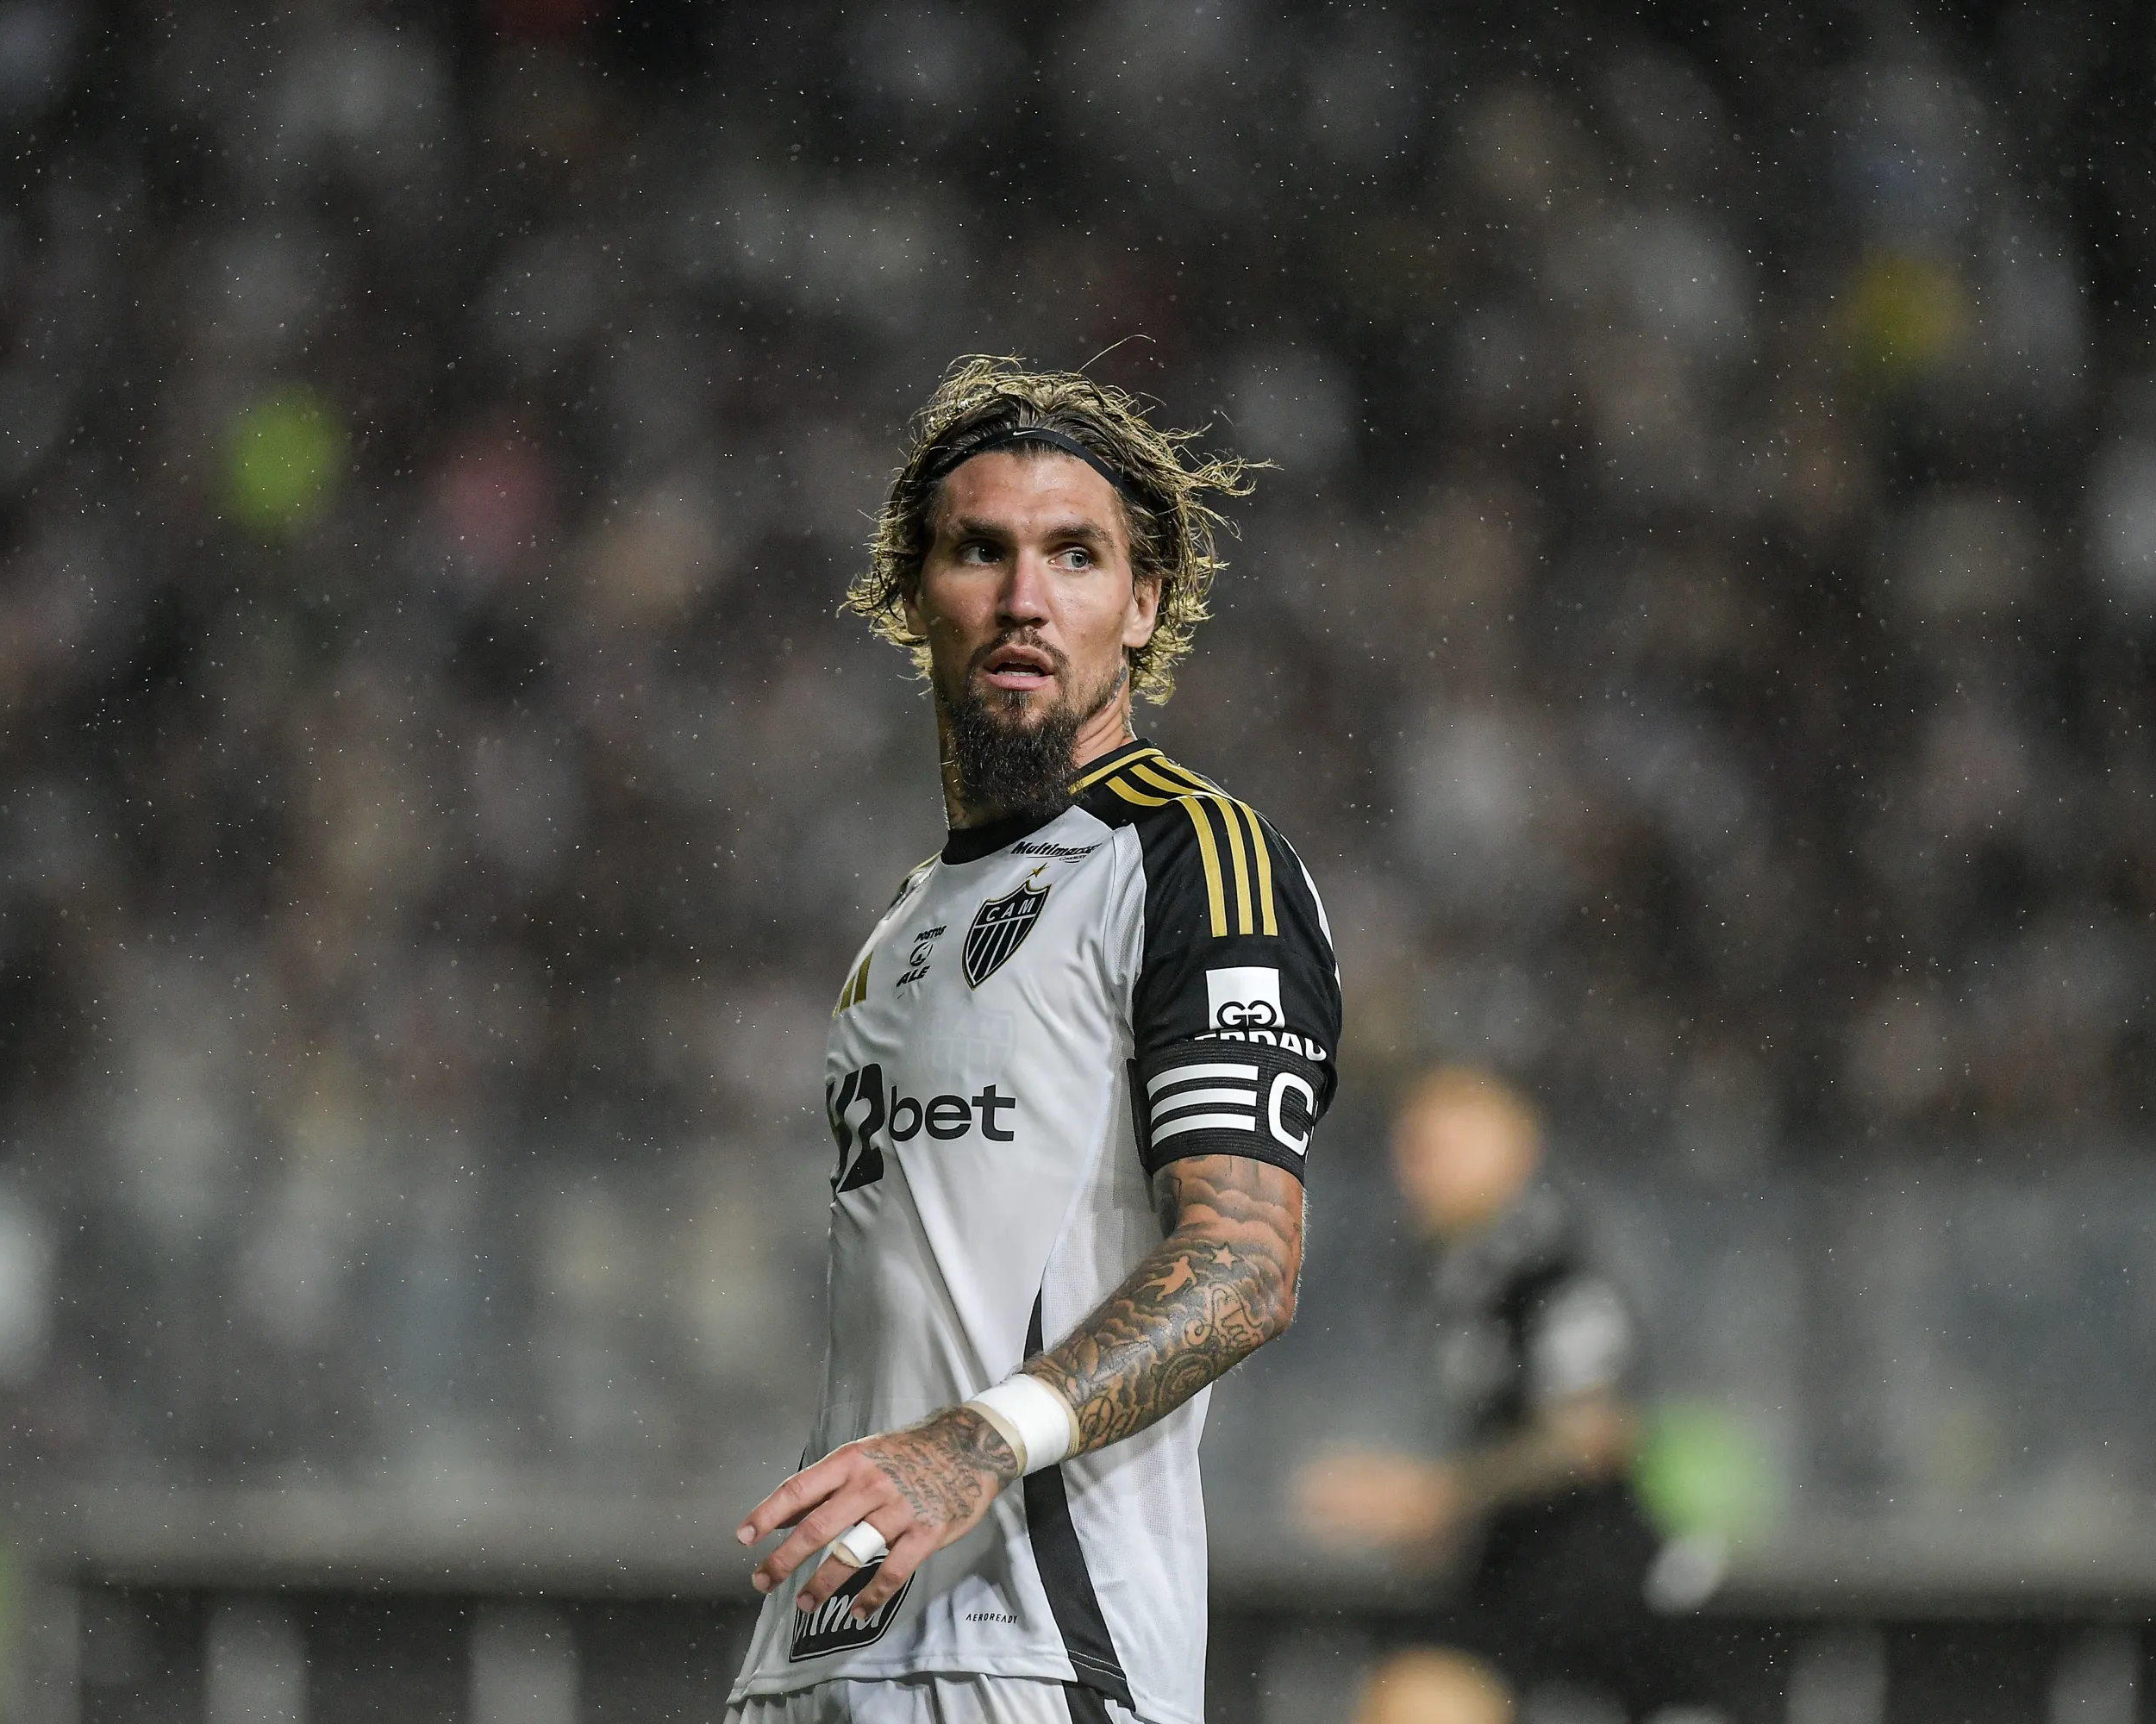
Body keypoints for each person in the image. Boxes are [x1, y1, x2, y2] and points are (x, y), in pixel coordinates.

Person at [725, 358, 1343, 1724]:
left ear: (1144, 605)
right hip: (818, 1652)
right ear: (911, 593)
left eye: (1075, 556)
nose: (1023, 599)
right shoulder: (903, 920)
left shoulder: (1194, 858)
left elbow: (1244, 1265)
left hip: (1037, 1657)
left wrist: (971, 1447)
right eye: (980, 551)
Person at [1296, 1068, 1693, 1724]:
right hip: (1512, 1563)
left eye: (1441, 1148)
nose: (1417, 1170)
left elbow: (1592, 1433)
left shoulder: (1548, 1261)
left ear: (1515, 1148)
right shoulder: (1456, 1268)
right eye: (1410, 1149)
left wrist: (1436, 1494)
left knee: (1416, 1702)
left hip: (1580, 1572)